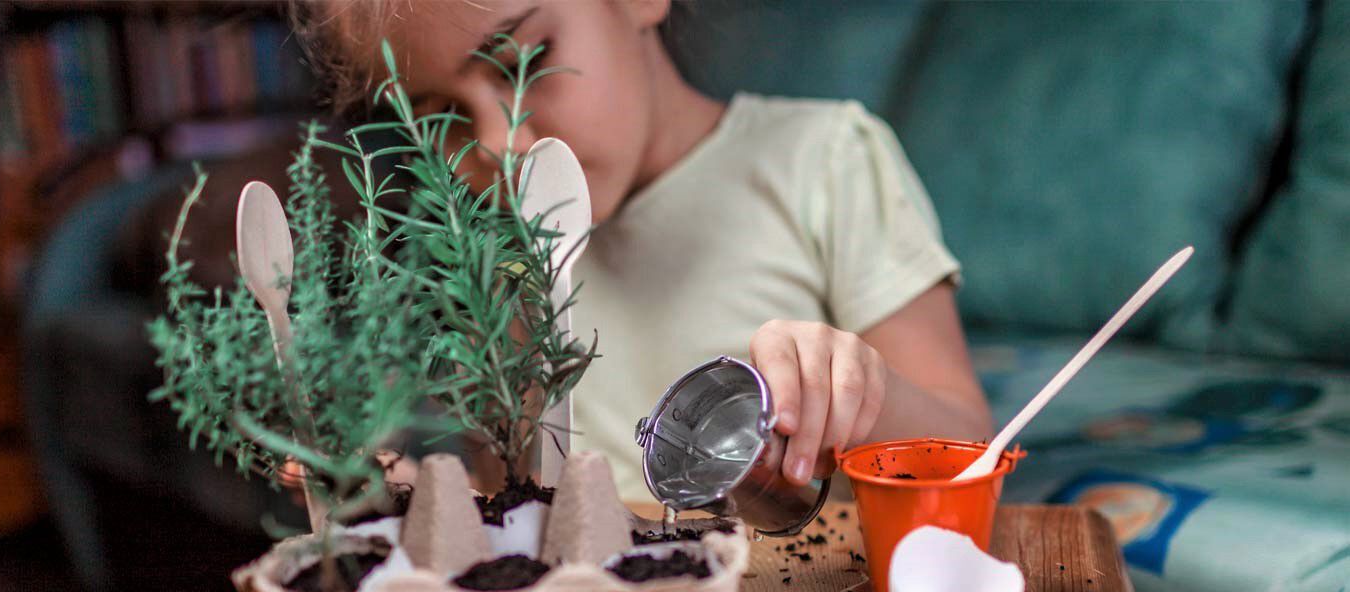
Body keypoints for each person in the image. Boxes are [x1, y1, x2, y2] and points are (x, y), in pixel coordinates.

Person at [293, 0, 992, 501]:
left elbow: (969, 447)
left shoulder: (824, 161)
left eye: (522, 61)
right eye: (439, 118)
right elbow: (519, 492)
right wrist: (411, 499)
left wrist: (863, 391)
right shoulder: (499, 259)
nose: (496, 146)